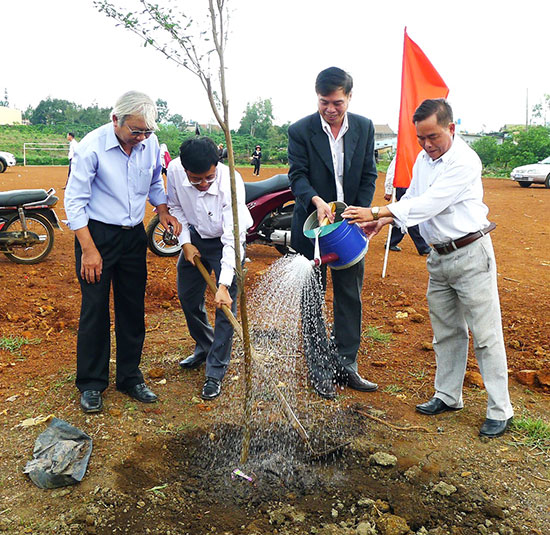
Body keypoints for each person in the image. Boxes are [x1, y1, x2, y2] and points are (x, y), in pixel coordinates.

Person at [342, 98, 514, 438]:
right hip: (439, 257)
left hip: (470, 253)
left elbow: (433, 202)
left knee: (486, 335)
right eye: (421, 138)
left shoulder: (465, 161)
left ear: (451, 128)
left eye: (433, 136)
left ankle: (500, 409)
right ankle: (449, 396)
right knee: (446, 331)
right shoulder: (423, 159)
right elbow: (412, 200)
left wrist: (375, 212)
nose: (427, 145)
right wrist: (386, 222)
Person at [64, 90, 181, 414]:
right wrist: (88, 250)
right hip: (97, 236)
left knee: (132, 308)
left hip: (133, 239)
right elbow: (74, 202)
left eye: (147, 132)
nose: (141, 137)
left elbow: (156, 182)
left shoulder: (150, 144)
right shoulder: (91, 147)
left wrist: (162, 210)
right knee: (95, 309)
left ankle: (130, 377)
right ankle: (91, 383)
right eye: (136, 131)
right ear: (116, 120)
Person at [288, 66, 379, 399]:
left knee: (349, 295)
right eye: (324, 101)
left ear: (349, 97)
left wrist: (359, 211)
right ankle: (319, 371)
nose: (330, 109)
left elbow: (369, 173)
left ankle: (345, 365)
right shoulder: (300, 131)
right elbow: (296, 175)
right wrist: (315, 200)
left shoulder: (365, 128)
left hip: (348, 228)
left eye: (337, 102)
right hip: (311, 228)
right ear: (317, 97)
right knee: (312, 298)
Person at [166, 137, 252, 400]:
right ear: (185, 170)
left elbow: (232, 238)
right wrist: (185, 242)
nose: (203, 185)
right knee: (188, 297)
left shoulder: (230, 181)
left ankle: (215, 371)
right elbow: (176, 206)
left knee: (226, 309)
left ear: (217, 165)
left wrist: (224, 285)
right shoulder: (174, 170)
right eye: (196, 180)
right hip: (196, 239)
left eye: (208, 178)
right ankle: (205, 345)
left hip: (226, 243)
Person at [383, 156, 430, 255]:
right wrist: (388, 190)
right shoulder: (402, 152)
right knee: (408, 213)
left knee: (402, 213)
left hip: (414, 186)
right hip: (403, 186)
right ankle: (422, 246)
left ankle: (392, 241)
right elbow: (392, 171)